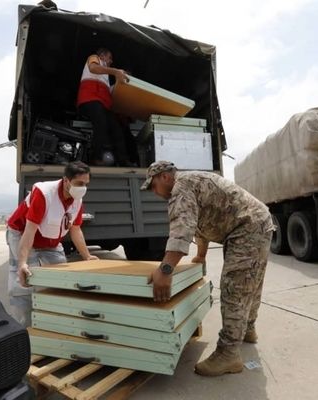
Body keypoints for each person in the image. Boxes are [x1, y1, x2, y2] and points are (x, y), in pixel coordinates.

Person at [141, 160, 274, 377]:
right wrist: (200, 256)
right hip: (255, 222)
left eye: (153, 185)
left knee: (235, 287)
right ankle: (247, 328)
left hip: (247, 227)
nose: (154, 192)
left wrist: (165, 270)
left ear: (165, 176)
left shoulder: (181, 188)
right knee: (251, 281)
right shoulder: (191, 183)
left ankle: (228, 353)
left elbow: (181, 230)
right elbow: (201, 225)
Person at [6, 161, 98, 326]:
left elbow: (76, 230)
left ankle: (55, 323)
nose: (83, 188)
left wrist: (87, 256)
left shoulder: (77, 200)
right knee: (27, 280)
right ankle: (24, 328)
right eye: (79, 183)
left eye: (86, 184)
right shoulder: (44, 194)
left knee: (63, 279)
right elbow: (30, 230)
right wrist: (22, 263)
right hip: (21, 233)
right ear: (66, 181)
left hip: (50, 241)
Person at [76, 48, 136, 167]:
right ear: (102, 56)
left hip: (103, 104)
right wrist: (115, 71)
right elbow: (93, 68)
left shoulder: (106, 76)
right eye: (109, 57)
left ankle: (123, 160)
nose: (111, 61)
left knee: (117, 129)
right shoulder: (94, 58)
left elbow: (110, 91)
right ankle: (95, 158)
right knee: (101, 123)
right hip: (90, 99)